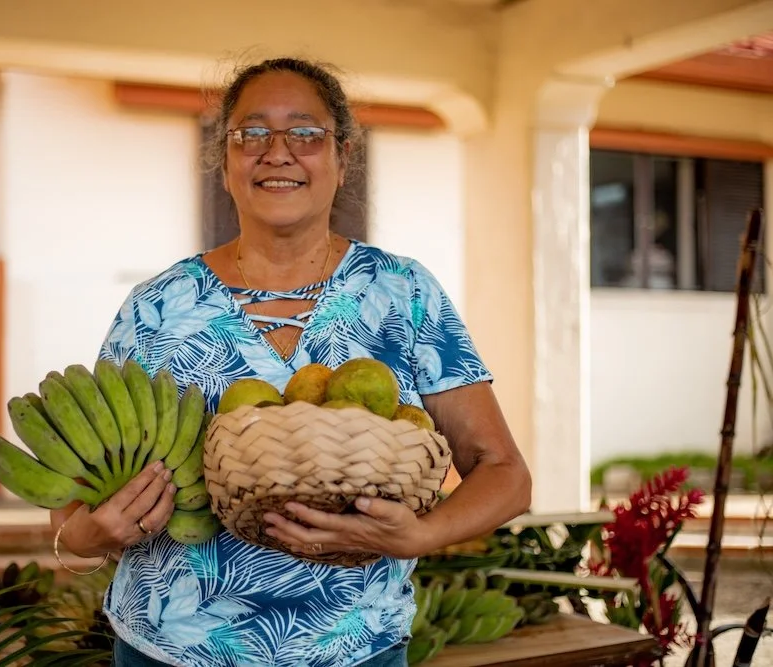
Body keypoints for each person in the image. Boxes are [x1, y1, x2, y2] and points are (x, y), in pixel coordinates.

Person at [50, 56, 532, 667]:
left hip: (356, 651)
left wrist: (422, 534)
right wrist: (89, 535)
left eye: (305, 133)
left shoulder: (402, 293)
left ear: (342, 157)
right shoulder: (157, 308)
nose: (277, 153)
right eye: (251, 133)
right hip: (169, 650)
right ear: (225, 161)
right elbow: (73, 504)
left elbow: (506, 474)